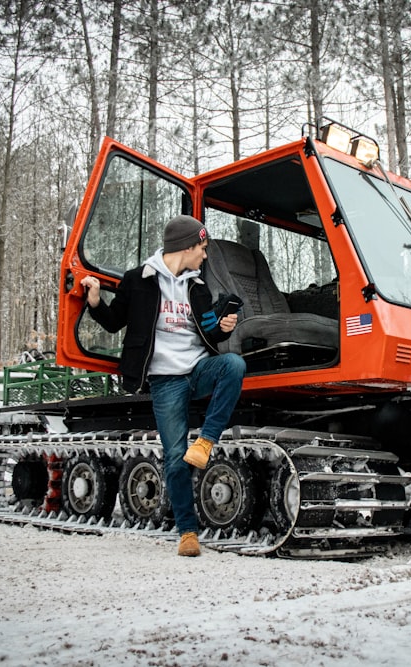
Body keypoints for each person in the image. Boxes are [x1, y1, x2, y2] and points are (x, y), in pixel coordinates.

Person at [80, 214, 246, 557]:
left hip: (198, 369)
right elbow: (113, 324)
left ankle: (205, 442)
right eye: (202, 247)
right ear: (186, 246)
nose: (204, 255)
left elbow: (209, 331)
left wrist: (224, 326)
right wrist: (95, 301)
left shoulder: (198, 287)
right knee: (173, 456)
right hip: (165, 381)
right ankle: (188, 532)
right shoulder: (137, 281)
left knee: (234, 364)